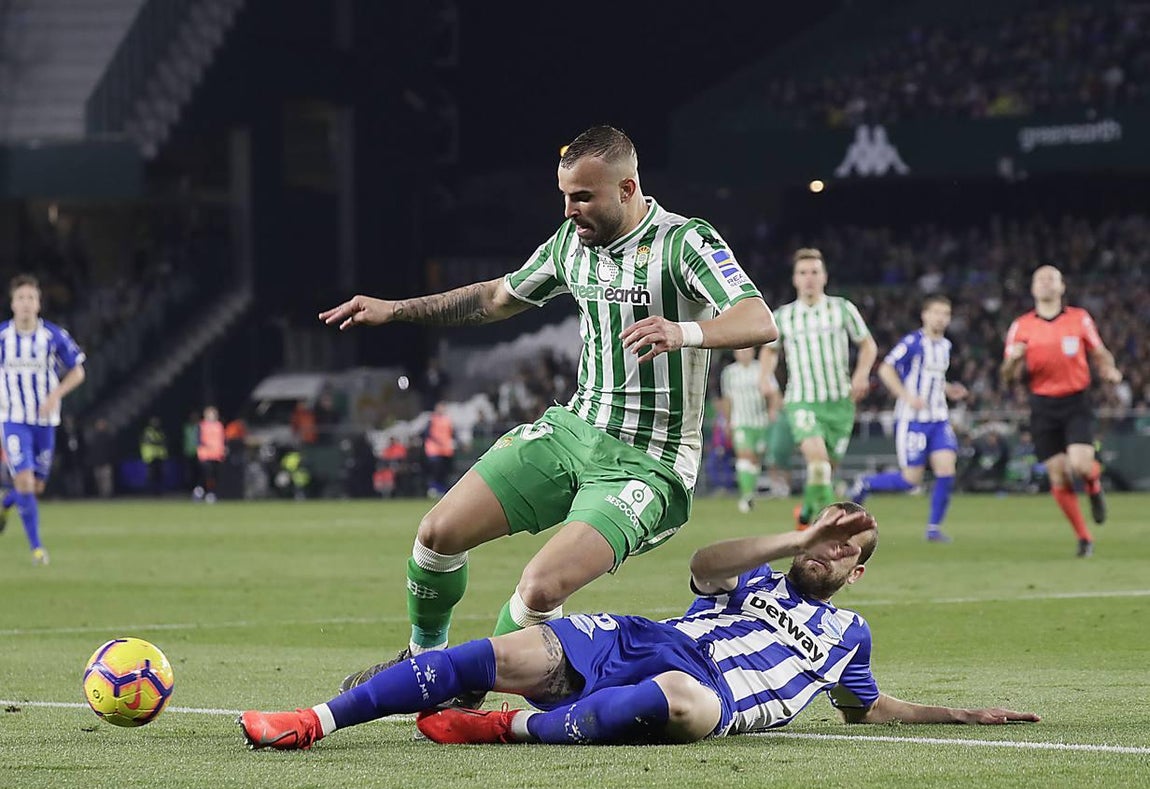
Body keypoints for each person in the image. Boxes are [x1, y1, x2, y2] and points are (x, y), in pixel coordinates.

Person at [319, 125, 777, 697]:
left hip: (646, 462)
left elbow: (758, 320)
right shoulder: (570, 246)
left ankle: (485, 680)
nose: (570, 210)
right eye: (564, 196)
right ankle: (426, 668)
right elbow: (495, 298)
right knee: (437, 533)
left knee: (538, 589)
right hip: (574, 431)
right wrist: (395, 310)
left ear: (628, 188)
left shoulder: (685, 243)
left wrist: (682, 331)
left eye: (583, 197)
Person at [237, 502, 1039, 750]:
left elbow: (872, 707)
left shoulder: (849, 635)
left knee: (682, 697)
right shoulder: (757, 571)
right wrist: (795, 537)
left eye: (842, 552)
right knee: (489, 651)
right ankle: (311, 721)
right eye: (823, 541)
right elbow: (708, 559)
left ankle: (508, 732)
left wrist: (964, 712)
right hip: (642, 636)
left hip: (707, 693)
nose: (827, 555)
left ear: (857, 571)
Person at [1001, 265, 1121, 557]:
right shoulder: (1022, 325)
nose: (1045, 283)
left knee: (1080, 466)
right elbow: (1006, 377)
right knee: (1059, 474)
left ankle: (1093, 485)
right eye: (1039, 279)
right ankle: (1084, 537)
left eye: (1051, 278)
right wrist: (1014, 361)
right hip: (1042, 405)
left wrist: (1110, 369)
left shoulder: (1079, 319)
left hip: (1076, 400)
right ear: (1032, 289)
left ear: (1062, 286)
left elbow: (1099, 351)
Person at [759, 249, 877, 529]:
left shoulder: (842, 309)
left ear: (824, 277)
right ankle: (831, 530)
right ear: (794, 279)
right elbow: (770, 350)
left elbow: (867, 344)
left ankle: (806, 514)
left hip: (840, 402)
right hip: (801, 400)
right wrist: (765, 377)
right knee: (820, 465)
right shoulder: (784, 316)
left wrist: (861, 375)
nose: (809, 278)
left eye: (814, 272)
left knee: (825, 471)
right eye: (803, 273)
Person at [849, 295, 968, 542]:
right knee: (910, 480)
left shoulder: (945, 346)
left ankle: (933, 528)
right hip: (912, 420)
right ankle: (866, 483)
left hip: (938, 418)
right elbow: (885, 368)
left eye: (945, 313)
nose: (941, 318)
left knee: (946, 469)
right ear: (924, 315)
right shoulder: (913, 342)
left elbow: (933, 378)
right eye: (936, 312)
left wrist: (949, 389)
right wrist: (906, 396)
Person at [0, 274, 86, 564]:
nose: (26, 304)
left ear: (38, 304)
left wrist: (56, 395)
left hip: (45, 422)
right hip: (13, 419)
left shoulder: (52, 336)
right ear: (12, 304)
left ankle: (5, 502)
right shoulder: (2, 338)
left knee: (35, 487)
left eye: (31, 299)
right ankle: (37, 548)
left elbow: (78, 371)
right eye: (21, 298)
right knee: (23, 479)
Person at [719, 347, 781, 512]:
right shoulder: (729, 373)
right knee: (744, 455)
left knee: (754, 459)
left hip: (761, 421)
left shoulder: (761, 368)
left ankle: (751, 492)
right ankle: (746, 496)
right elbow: (727, 398)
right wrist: (727, 421)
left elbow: (774, 393)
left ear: (753, 352)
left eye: (747, 350)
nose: (744, 354)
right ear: (735, 353)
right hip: (740, 421)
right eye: (740, 351)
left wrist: (773, 410)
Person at [422, 401, 456, 498]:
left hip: (446, 451)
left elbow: (452, 433)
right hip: (434, 450)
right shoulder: (432, 419)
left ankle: (441, 489)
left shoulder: (448, 420)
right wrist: (437, 441)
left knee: (444, 471)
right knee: (435, 470)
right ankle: (433, 488)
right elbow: (427, 434)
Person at [194, 406, 225, 503]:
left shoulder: (219, 426)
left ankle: (209, 493)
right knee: (206, 474)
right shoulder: (202, 425)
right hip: (205, 455)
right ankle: (202, 491)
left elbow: (222, 440)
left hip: (216, 455)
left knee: (214, 475)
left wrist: (223, 450)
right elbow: (198, 440)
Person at [85, 417, 115, 499]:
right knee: (98, 480)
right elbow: (92, 451)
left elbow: (111, 450)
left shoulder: (108, 436)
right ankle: (101, 495)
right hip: (97, 462)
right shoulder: (94, 437)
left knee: (106, 481)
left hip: (106, 462)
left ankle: (107, 496)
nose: (100, 426)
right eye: (99, 424)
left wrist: (110, 460)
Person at [139, 417, 167, 496]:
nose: (156, 424)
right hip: (151, 457)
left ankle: (159, 492)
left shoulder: (160, 432)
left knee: (160, 476)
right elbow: (151, 442)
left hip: (159, 457)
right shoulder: (148, 432)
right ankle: (151, 492)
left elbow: (164, 442)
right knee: (151, 476)